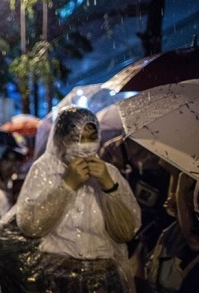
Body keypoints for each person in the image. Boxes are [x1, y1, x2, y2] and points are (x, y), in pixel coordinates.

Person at [15, 106, 141, 292]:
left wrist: (108, 185)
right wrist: (67, 185)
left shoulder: (110, 173)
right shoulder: (44, 170)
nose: (85, 145)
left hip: (104, 278)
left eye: (91, 138)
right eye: (77, 138)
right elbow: (31, 225)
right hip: (56, 277)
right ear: (61, 139)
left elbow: (126, 232)